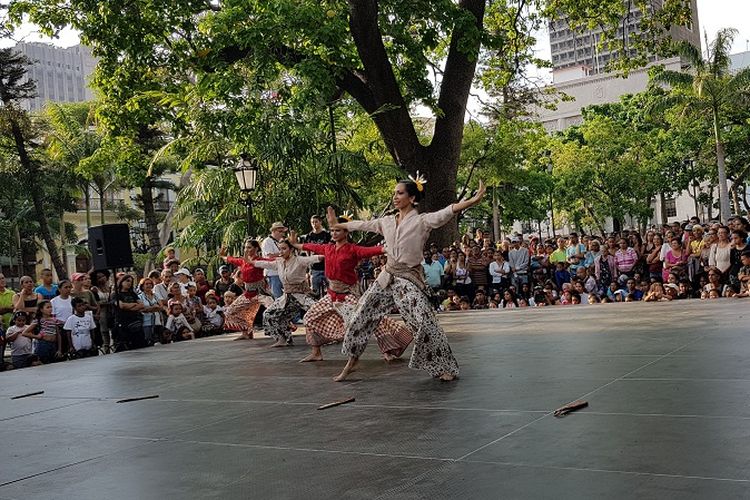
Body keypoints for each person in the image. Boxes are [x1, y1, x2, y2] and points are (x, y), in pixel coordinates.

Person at [330, 175, 486, 382]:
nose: (395, 197)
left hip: (408, 278)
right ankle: (353, 361)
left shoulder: (422, 221)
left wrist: (472, 201)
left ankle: (444, 366)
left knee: (424, 319)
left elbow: (447, 211)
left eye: (400, 193)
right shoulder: (386, 222)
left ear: (412, 198)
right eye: (394, 193)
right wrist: (340, 225)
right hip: (386, 277)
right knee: (361, 314)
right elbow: (363, 224)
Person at [289, 209, 413, 363]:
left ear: (346, 232)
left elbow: (372, 250)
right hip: (332, 295)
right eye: (332, 231)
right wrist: (295, 244)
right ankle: (316, 352)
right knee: (309, 317)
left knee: (369, 319)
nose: (334, 234)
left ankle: (389, 350)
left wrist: (387, 248)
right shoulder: (328, 248)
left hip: (349, 295)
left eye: (338, 230)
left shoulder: (353, 249)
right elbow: (311, 247)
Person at [251, 240, 322, 347]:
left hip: (302, 296)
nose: (281, 251)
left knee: (319, 312)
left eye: (284, 248)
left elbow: (316, 258)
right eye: (280, 249)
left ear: (292, 249)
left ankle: (327, 336)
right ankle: (283, 339)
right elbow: (266, 264)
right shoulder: (279, 262)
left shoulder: (299, 260)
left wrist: (330, 253)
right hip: (287, 298)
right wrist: (252, 262)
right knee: (269, 314)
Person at [220, 240, 274, 340]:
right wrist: (222, 256)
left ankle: (283, 333)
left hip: (261, 293)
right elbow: (231, 259)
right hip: (248, 294)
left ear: (256, 248)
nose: (246, 249)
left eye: (249, 247)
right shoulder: (243, 261)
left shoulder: (259, 261)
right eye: (245, 247)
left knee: (274, 310)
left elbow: (271, 262)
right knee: (231, 311)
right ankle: (246, 332)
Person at [112, 274, 145, 351]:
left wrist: (129, 307)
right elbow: (121, 305)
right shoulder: (116, 294)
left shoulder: (133, 294)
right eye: (127, 281)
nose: (129, 283)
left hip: (135, 321)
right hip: (123, 323)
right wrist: (134, 304)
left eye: (131, 281)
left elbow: (141, 305)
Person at [303, 215, 331, 298]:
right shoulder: (308, 236)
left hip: (327, 266)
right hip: (314, 268)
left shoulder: (327, 235)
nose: (314, 224)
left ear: (320, 222)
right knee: (315, 292)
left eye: (316, 222)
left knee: (330, 292)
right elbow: (306, 250)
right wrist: (309, 264)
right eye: (312, 222)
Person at [261, 222, 288, 298]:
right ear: (273, 231)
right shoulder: (267, 241)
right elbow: (269, 256)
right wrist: (282, 253)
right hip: (272, 273)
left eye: (283, 232)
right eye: (280, 231)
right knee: (277, 297)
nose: (282, 234)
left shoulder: (279, 241)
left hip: (281, 272)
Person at [138, 277, 163, 346]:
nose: (149, 285)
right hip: (147, 322)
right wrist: (154, 307)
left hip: (157, 321)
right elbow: (142, 309)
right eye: (146, 284)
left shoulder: (156, 295)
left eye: (150, 284)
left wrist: (150, 309)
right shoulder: (140, 297)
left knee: (159, 340)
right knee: (148, 341)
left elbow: (161, 307)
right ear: (142, 286)